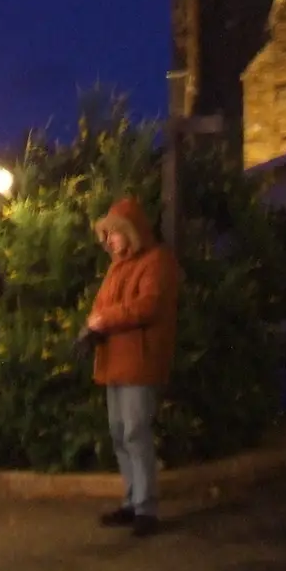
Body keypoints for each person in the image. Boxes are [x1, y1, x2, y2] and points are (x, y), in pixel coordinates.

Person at [82, 198, 182, 537]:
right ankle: (132, 502)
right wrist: (95, 322)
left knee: (135, 432)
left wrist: (103, 319)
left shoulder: (157, 261)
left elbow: (148, 305)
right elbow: (101, 305)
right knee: (119, 433)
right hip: (114, 360)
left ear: (130, 232)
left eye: (113, 232)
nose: (108, 240)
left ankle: (145, 508)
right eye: (105, 234)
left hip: (140, 361)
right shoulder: (117, 266)